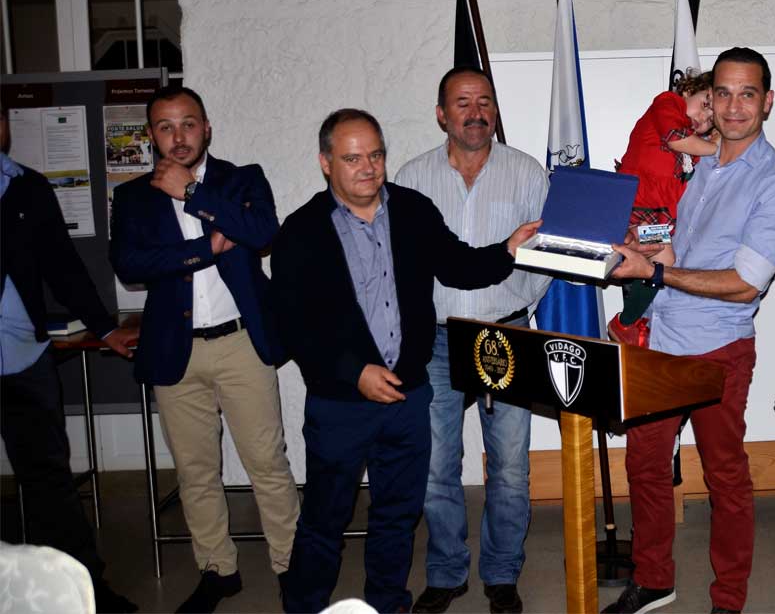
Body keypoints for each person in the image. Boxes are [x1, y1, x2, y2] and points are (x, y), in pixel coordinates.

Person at [272, 108, 540, 614]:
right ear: (326, 162)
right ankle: (304, 606)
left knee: (397, 517)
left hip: (409, 397)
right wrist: (355, 372)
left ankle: (388, 603)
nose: (368, 168)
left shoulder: (413, 210)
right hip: (340, 404)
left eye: (375, 155)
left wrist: (507, 248)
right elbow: (292, 325)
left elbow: (459, 265)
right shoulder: (301, 231)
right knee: (324, 521)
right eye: (352, 158)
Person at [604, 48, 775, 614]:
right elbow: (681, 245)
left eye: (746, 94)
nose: (732, 107)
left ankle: (728, 598)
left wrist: (657, 272)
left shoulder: (772, 178)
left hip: (718, 350)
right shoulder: (701, 163)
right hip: (660, 338)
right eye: (721, 94)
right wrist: (641, 248)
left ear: (767, 102)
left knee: (724, 475)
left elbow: (746, 284)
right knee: (644, 466)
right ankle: (653, 580)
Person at [110, 85, 300, 613]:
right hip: (176, 349)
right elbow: (131, 265)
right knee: (196, 472)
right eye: (165, 126)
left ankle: (291, 567)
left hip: (241, 343)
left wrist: (193, 192)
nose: (178, 136)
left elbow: (262, 232)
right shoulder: (133, 197)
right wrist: (205, 248)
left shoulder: (242, 179)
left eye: (188, 123)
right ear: (151, 135)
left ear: (207, 127)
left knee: (267, 463)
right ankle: (218, 571)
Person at [395, 68, 551, 614]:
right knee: (437, 464)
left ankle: (502, 574)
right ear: (442, 114)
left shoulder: (527, 173)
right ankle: (445, 573)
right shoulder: (412, 178)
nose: (475, 112)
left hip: (507, 333)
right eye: (462, 102)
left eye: (484, 101)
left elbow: (546, 256)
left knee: (509, 466)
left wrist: (516, 305)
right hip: (437, 341)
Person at [0, 111, 138, 613]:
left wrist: (104, 327)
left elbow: (63, 266)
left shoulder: (27, 187)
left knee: (49, 484)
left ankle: (81, 593)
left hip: (24, 359)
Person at [607, 68, 717, 346]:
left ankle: (634, 321)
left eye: (710, 119)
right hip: (634, 205)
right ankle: (626, 322)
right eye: (705, 104)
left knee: (661, 260)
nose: (703, 118)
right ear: (689, 90)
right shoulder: (668, 103)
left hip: (657, 217)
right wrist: (717, 147)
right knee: (665, 258)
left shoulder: (692, 150)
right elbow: (674, 138)